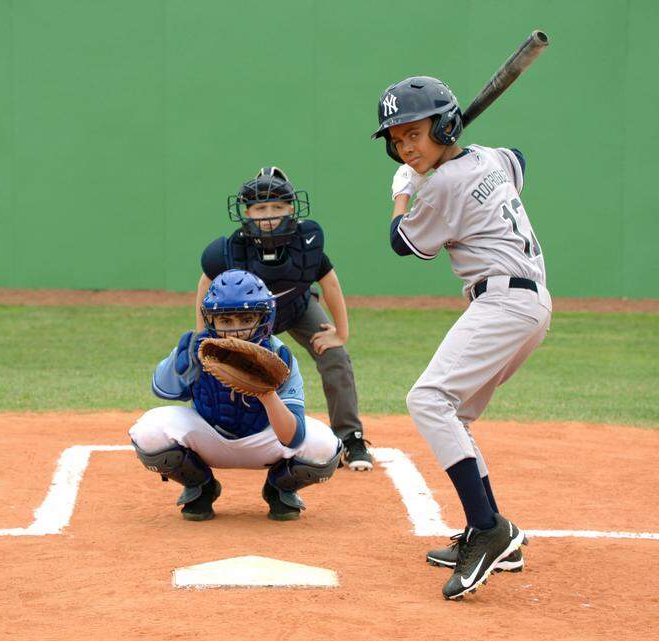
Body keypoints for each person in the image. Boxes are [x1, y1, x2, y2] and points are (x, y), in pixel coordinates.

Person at [371, 75, 552, 599]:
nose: (406, 147)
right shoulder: (491, 158)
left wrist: (405, 192)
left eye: (415, 134)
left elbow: (401, 243)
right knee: (457, 415)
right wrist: (445, 155)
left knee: (428, 399)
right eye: (398, 140)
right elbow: (518, 158)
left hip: (502, 302)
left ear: (446, 124)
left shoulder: (442, 185)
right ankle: (494, 529)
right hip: (528, 304)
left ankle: (488, 530)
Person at [195, 167, 373, 471]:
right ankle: (222, 432)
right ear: (247, 212)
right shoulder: (231, 248)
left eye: (277, 207)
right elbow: (205, 287)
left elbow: (329, 283)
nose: (268, 215)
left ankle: (351, 438)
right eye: (261, 208)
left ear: (291, 209)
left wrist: (340, 333)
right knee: (222, 366)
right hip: (246, 321)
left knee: (335, 357)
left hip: (297, 307)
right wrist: (203, 339)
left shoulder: (306, 241)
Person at [129, 269, 342, 521]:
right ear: (211, 320)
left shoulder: (279, 357)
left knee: (324, 448)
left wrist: (267, 394)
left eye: (245, 318)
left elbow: (293, 439)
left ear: (264, 317)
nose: (236, 330)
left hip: (263, 441)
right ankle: (201, 486)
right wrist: (181, 363)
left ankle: (279, 489)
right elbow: (162, 390)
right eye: (226, 321)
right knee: (148, 432)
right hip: (209, 436)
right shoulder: (200, 349)